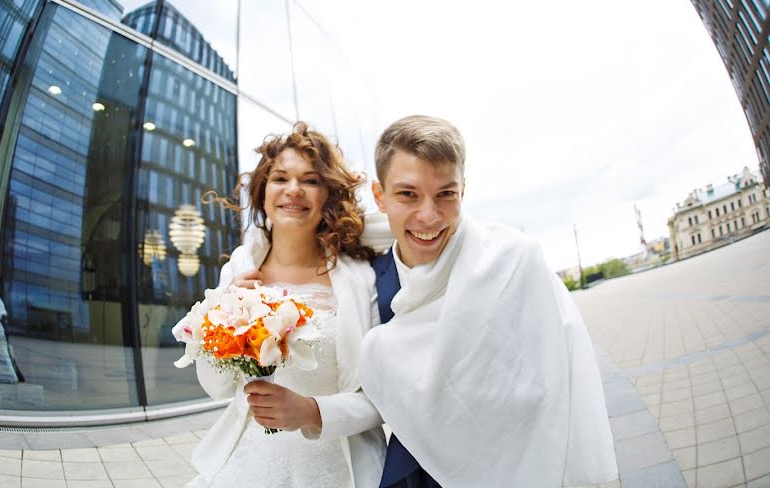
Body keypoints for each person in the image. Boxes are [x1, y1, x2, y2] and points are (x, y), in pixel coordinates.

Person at [359, 115, 618, 487]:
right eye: (408, 194)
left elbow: (565, 382)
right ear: (380, 197)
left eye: (446, 194)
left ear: (463, 191)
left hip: (529, 467)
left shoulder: (515, 260)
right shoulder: (366, 279)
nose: (429, 215)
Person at [183, 122, 386, 488]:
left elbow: (380, 398)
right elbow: (217, 386)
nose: (294, 190)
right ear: (262, 194)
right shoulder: (240, 269)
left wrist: (312, 411)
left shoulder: (360, 279)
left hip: (334, 468)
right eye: (280, 178)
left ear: (328, 195)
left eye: (310, 180)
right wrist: (220, 316)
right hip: (246, 464)